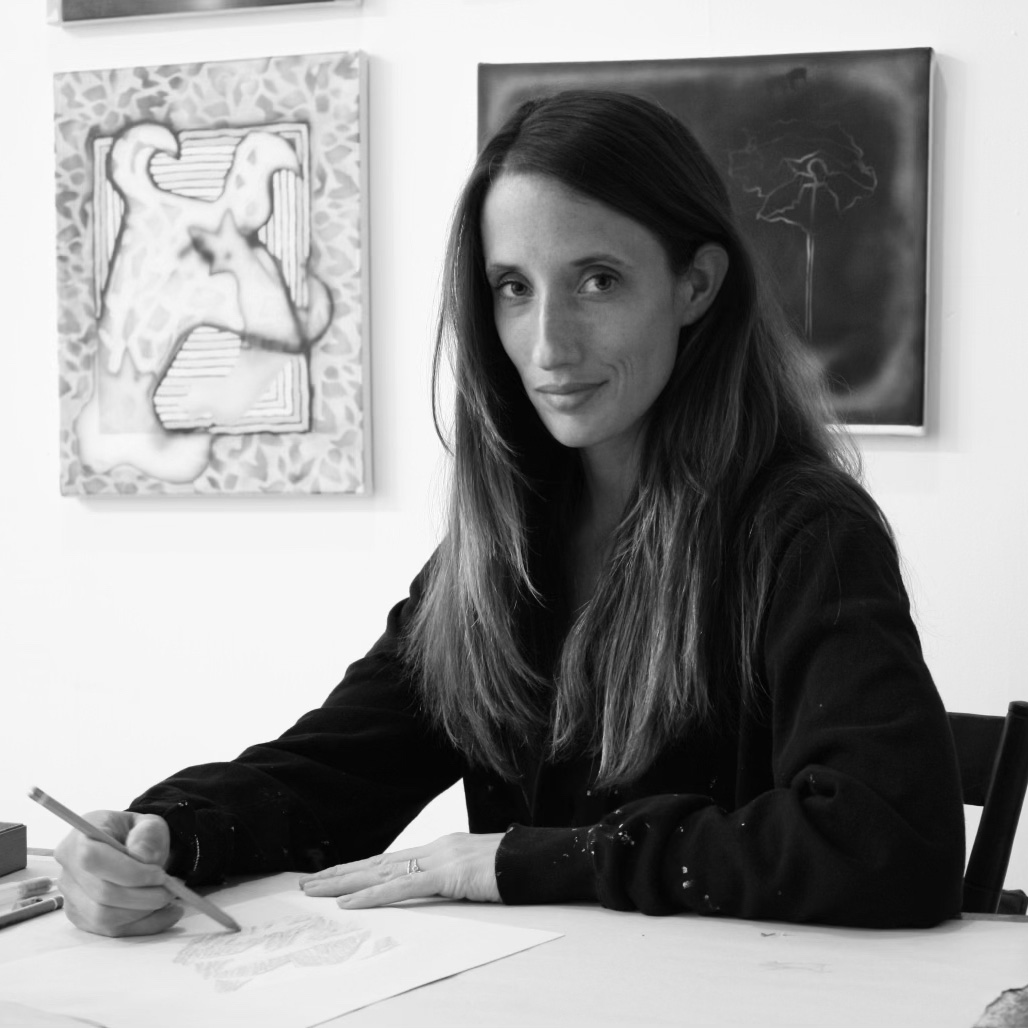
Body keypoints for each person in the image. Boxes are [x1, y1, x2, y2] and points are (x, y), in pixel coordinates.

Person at [55, 90, 965, 936]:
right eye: (513, 288)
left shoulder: (805, 532)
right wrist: (162, 836)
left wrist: (517, 862)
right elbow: (336, 770)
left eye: (598, 280)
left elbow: (891, 846)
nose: (549, 346)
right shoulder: (506, 546)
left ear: (696, 285)